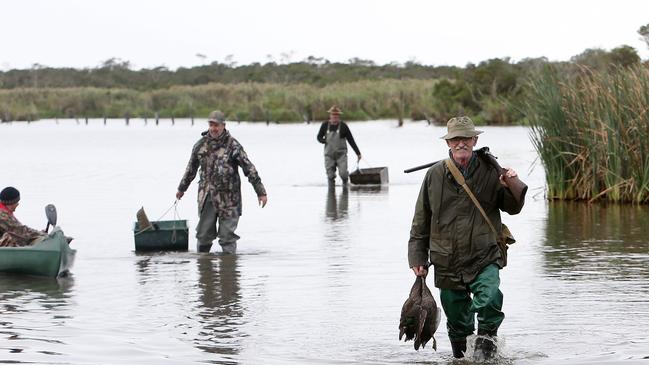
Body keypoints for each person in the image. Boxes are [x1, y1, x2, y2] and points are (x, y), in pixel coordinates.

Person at [407, 116, 526, 360]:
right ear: (448, 143)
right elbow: (421, 221)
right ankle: (461, 359)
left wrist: (509, 184)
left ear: (475, 140)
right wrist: (417, 257)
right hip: (446, 260)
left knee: (490, 299)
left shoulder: (492, 171)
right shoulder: (434, 175)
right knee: (457, 319)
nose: (461, 143)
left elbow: (513, 208)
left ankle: (486, 353)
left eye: (465, 138)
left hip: (484, 254)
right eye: (455, 139)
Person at [176, 110, 268, 254]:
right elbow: (191, 170)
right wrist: (181, 189)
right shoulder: (200, 145)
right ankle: (204, 270)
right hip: (207, 197)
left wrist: (260, 192)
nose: (213, 128)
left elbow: (249, 169)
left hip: (230, 200)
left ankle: (229, 270)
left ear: (223, 126)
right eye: (211, 125)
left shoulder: (233, 146)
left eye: (216, 125)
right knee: (203, 235)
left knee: (227, 237)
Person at [316, 105, 362, 184]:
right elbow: (319, 137)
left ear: (339, 116)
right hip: (329, 155)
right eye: (333, 115)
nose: (335, 117)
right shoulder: (324, 125)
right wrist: (323, 141)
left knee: (343, 174)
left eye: (336, 115)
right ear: (330, 115)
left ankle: (345, 188)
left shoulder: (344, 126)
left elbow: (351, 140)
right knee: (330, 176)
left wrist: (358, 153)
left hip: (341, 155)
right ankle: (331, 194)